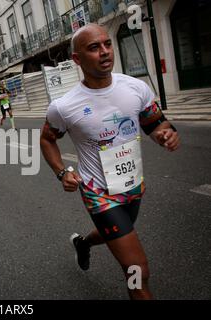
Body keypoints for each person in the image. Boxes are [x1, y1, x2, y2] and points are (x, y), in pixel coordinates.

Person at [40, 24, 180, 300]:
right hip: (99, 194)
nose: (104, 52)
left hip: (133, 186)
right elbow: (47, 139)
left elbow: (155, 123)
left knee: (113, 232)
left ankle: (83, 242)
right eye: (94, 47)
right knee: (137, 269)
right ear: (77, 59)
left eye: (107, 44)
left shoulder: (135, 87)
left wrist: (166, 134)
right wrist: (61, 172)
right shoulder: (64, 107)